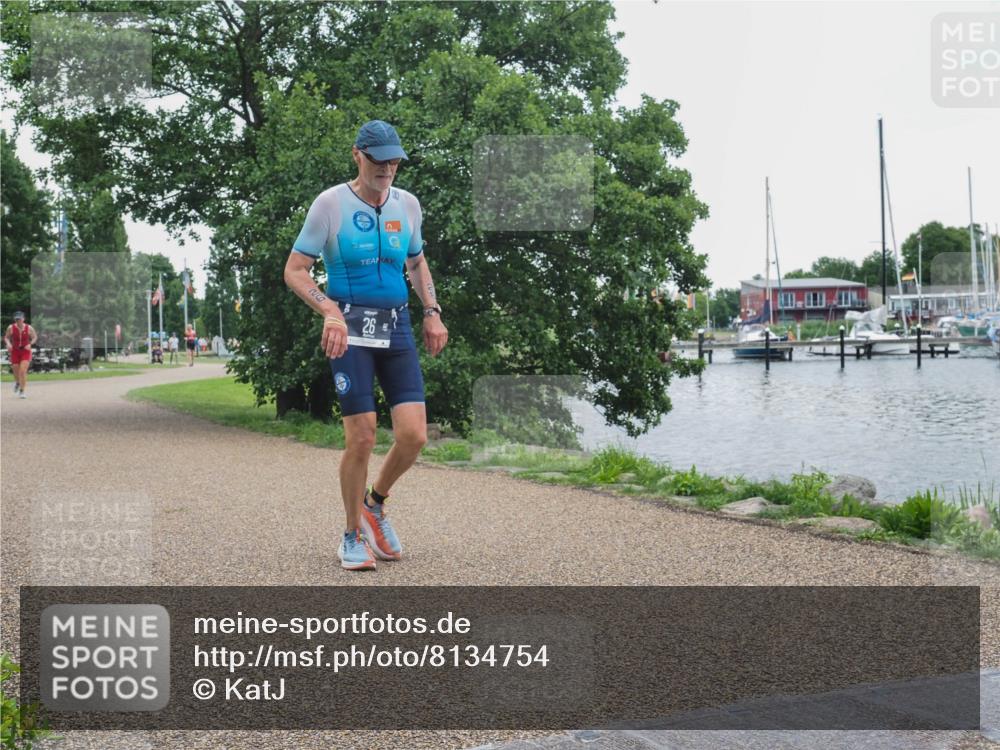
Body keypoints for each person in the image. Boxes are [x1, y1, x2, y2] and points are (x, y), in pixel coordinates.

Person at [284, 120, 448, 571]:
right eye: (379, 160)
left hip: (395, 329)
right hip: (350, 331)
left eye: (394, 160)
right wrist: (329, 311)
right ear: (358, 154)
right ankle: (351, 533)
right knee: (361, 436)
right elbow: (296, 269)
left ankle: (375, 504)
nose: (388, 168)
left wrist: (431, 312)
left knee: (414, 436)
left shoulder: (407, 205)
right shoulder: (330, 204)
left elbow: (416, 262)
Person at [4, 311, 37, 399]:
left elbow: (35, 337)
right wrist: (8, 344)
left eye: (20, 319)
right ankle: (18, 383)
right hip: (15, 351)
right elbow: (6, 337)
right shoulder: (11, 327)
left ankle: (22, 391)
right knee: (15, 370)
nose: (18, 321)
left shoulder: (29, 328)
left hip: (25, 351)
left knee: (22, 371)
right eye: (17, 319)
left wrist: (30, 344)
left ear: (23, 319)